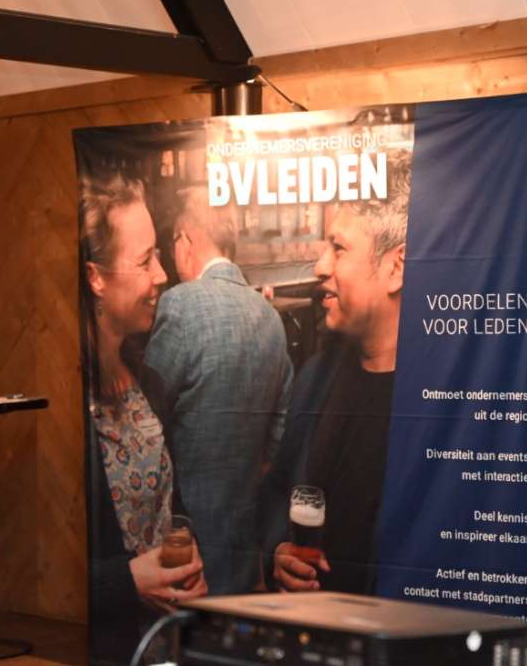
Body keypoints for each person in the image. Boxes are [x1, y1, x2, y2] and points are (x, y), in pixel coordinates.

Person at [141, 186, 293, 595]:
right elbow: (280, 434)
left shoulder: (179, 304)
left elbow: (146, 422)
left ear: (185, 241)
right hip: (246, 542)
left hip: (183, 544)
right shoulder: (271, 318)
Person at [80, 174, 207, 664]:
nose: (161, 275)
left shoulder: (146, 380)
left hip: (162, 645)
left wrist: (188, 554)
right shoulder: (63, 408)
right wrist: (128, 581)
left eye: (158, 255)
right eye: (145, 260)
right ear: (95, 277)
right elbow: (26, 566)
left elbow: (167, 502)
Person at [271, 153, 411, 595]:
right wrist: (278, 552)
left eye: (339, 248)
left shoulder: (443, 398)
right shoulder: (315, 380)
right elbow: (279, 497)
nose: (320, 266)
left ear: (395, 268)